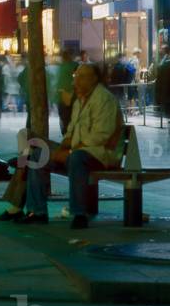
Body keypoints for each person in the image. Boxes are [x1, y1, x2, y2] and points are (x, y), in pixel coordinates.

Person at [14, 64, 124, 229]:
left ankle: (79, 214)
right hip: (79, 150)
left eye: (81, 77)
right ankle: (37, 212)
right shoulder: (80, 100)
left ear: (93, 79)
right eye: (75, 77)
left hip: (101, 153)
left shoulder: (104, 99)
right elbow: (71, 131)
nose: (76, 82)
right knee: (37, 155)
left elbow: (100, 136)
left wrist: (69, 151)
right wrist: (59, 151)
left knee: (76, 159)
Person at [55, 49, 78, 136]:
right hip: (72, 96)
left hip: (61, 97)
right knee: (72, 117)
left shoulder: (61, 67)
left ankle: (66, 135)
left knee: (64, 118)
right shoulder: (75, 65)